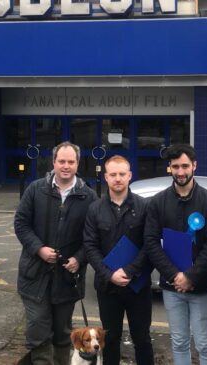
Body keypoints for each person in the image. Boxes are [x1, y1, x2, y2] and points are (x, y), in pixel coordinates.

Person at [14, 141, 97, 365]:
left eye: (71, 161)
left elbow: (93, 238)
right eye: (62, 161)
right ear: (54, 162)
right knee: (39, 332)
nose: (66, 166)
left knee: (62, 335)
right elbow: (21, 224)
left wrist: (79, 259)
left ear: (78, 164)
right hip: (34, 276)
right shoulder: (35, 189)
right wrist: (38, 248)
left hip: (67, 280)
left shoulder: (88, 197)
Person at [144, 144, 207, 365]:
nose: (181, 171)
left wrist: (191, 276)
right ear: (169, 167)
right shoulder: (158, 202)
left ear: (194, 166)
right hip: (172, 288)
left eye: (185, 166)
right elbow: (151, 242)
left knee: (204, 343)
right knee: (178, 342)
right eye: (176, 166)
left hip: (201, 287)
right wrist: (174, 276)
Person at [83, 155, 154, 365]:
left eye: (122, 174)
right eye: (113, 174)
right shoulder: (95, 209)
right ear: (106, 177)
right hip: (108, 287)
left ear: (130, 175)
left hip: (138, 287)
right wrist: (109, 274)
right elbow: (90, 246)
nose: (118, 178)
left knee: (142, 339)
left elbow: (149, 244)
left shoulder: (144, 207)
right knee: (110, 340)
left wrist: (130, 271)